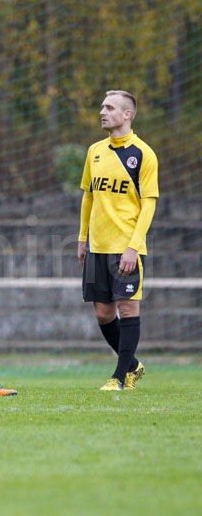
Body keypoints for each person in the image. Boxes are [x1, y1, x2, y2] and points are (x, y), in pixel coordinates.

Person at [77, 90, 158, 391]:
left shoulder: (143, 154)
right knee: (103, 313)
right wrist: (82, 239)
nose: (102, 112)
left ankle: (121, 377)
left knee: (127, 309)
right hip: (97, 247)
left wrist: (133, 247)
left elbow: (148, 204)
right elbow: (88, 196)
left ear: (127, 115)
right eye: (101, 107)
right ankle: (134, 364)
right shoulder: (94, 151)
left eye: (109, 107)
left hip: (125, 248)